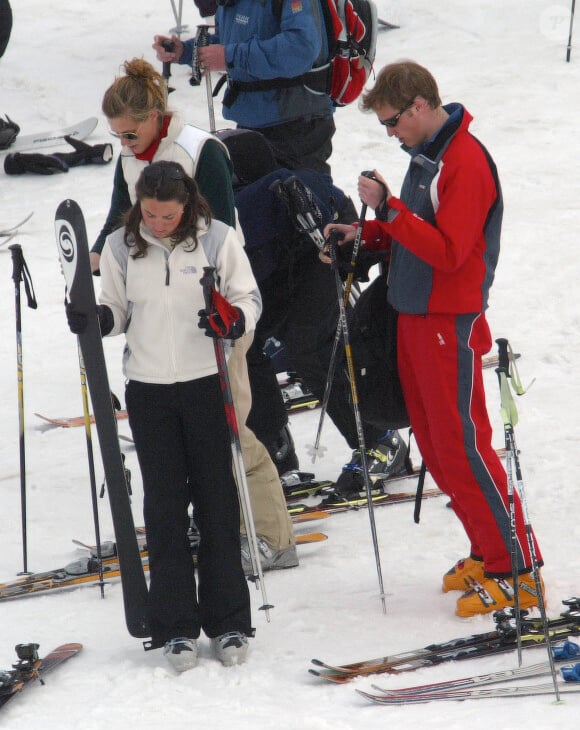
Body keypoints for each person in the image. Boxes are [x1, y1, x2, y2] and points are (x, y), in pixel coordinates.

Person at [324, 60, 545, 617]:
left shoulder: (465, 161)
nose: (390, 134)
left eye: (392, 122)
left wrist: (390, 210)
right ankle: (486, 548)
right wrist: (369, 231)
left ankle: (516, 568)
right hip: (415, 317)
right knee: (436, 446)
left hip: (449, 321)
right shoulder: (427, 155)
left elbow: (450, 252)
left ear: (420, 106)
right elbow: (418, 231)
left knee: (463, 446)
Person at [90, 58, 297, 573]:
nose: (125, 144)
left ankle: (274, 536)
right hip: (162, 320)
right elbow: (121, 217)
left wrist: (218, 308)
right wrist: (98, 257)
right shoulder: (131, 157)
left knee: (230, 430)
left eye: (130, 133)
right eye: (117, 136)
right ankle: (208, 521)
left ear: (157, 115)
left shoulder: (200, 151)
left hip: (216, 313)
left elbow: (220, 235)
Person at [71, 161, 260, 669]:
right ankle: (175, 625)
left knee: (217, 501)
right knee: (164, 507)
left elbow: (248, 298)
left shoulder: (218, 239)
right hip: (150, 390)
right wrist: (96, 317)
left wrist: (232, 318)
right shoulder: (119, 246)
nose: (158, 223)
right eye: (150, 214)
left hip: (205, 383)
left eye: (168, 215)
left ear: (188, 204)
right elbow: (115, 309)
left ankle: (230, 622)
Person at [218, 128, 409, 493]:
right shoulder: (233, 198)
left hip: (310, 260)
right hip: (266, 274)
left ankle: (381, 441)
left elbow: (342, 212)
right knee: (243, 347)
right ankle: (274, 448)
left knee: (312, 349)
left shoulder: (282, 189)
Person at [153, 0, 335, 175]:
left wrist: (230, 56)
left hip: (297, 124)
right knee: (254, 201)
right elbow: (230, 39)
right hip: (252, 120)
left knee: (301, 201)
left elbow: (300, 49)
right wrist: (185, 51)